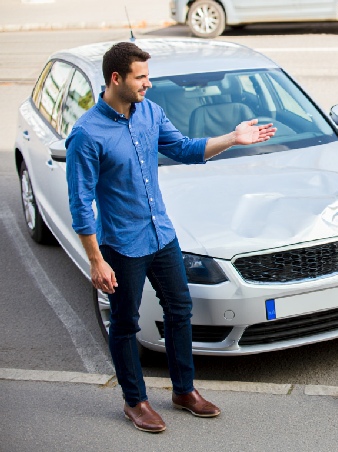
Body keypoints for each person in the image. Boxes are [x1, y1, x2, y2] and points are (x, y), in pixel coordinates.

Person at [65, 42, 276, 433]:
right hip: (122, 245)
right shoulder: (86, 134)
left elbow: (184, 148)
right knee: (125, 323)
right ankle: (135, 401)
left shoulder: (150, 113)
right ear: (116, 78)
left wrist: (233, 137)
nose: (149, 84)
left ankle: (183, 390)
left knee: (180, 310)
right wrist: (96, 260)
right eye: (141, 77)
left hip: (161, 234)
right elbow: (80, 204)